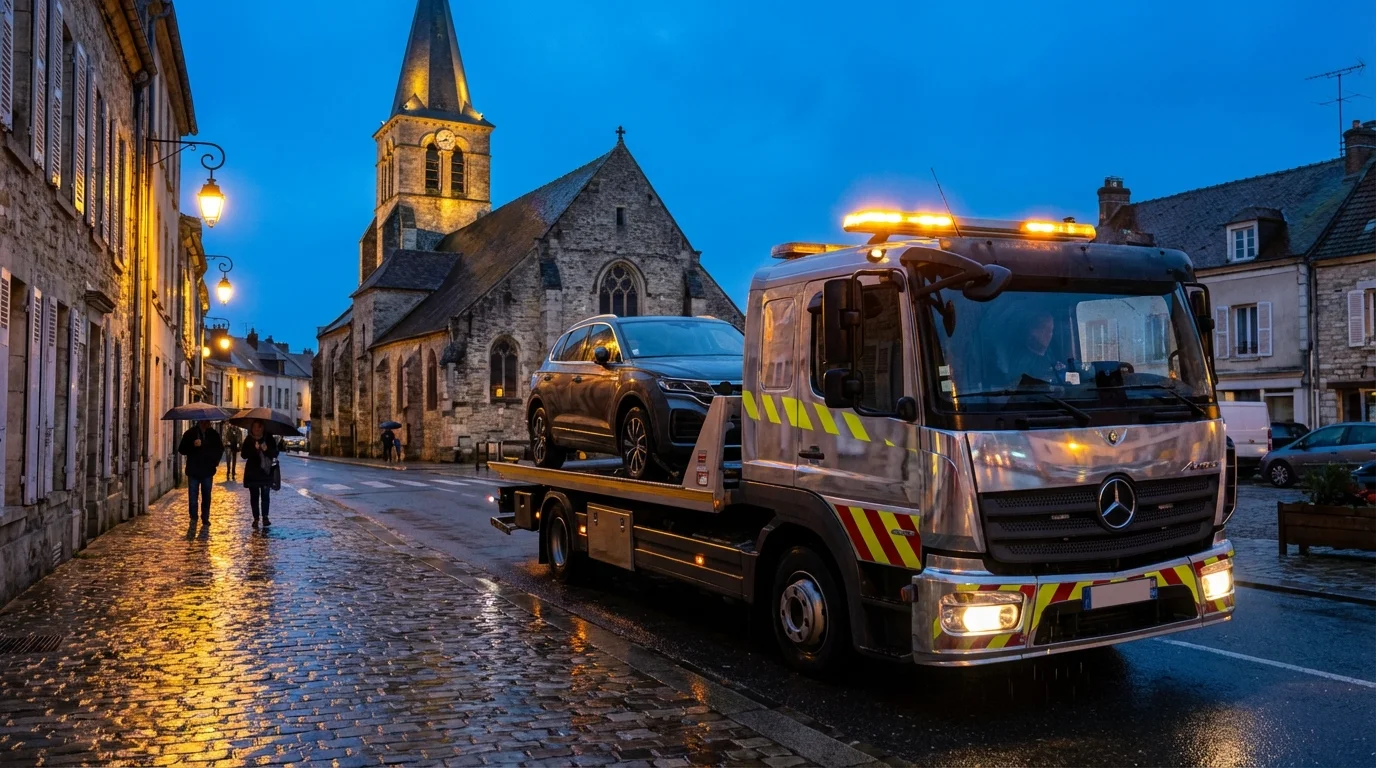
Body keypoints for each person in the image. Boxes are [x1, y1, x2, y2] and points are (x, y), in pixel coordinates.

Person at [178, 420, 223, 525]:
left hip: (207, 470)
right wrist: (192, 445)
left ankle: (205, 517)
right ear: (200, 422)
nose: (207, 423)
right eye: (204, 422)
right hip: (193, 470)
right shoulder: (190, 433)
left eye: (208, 421)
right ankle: (193, 517)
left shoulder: (213, 434)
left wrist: (215, 462)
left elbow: (219, 449)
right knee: (193, 496)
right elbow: (182, 449)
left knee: (206, 496)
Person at [1003, 310, 1065, 385]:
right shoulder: (1022, 361)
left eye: (1051, 330)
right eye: (1044, 329)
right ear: (1031, 331)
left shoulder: (1050, 352)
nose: (1049, 334)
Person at [241, 420, 280, 527]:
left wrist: (266, 449)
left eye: (259, 427)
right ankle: (256, 518)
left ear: (262, 428)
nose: (256, 430)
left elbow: (275, 453)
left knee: (265, 495)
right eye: (254, 427)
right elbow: (244, 455)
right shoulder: (249, 439)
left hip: (266, 472)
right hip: (252, 473)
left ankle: (265, 517)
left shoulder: (269, 438)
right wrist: (254, 449)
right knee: (254, 497)